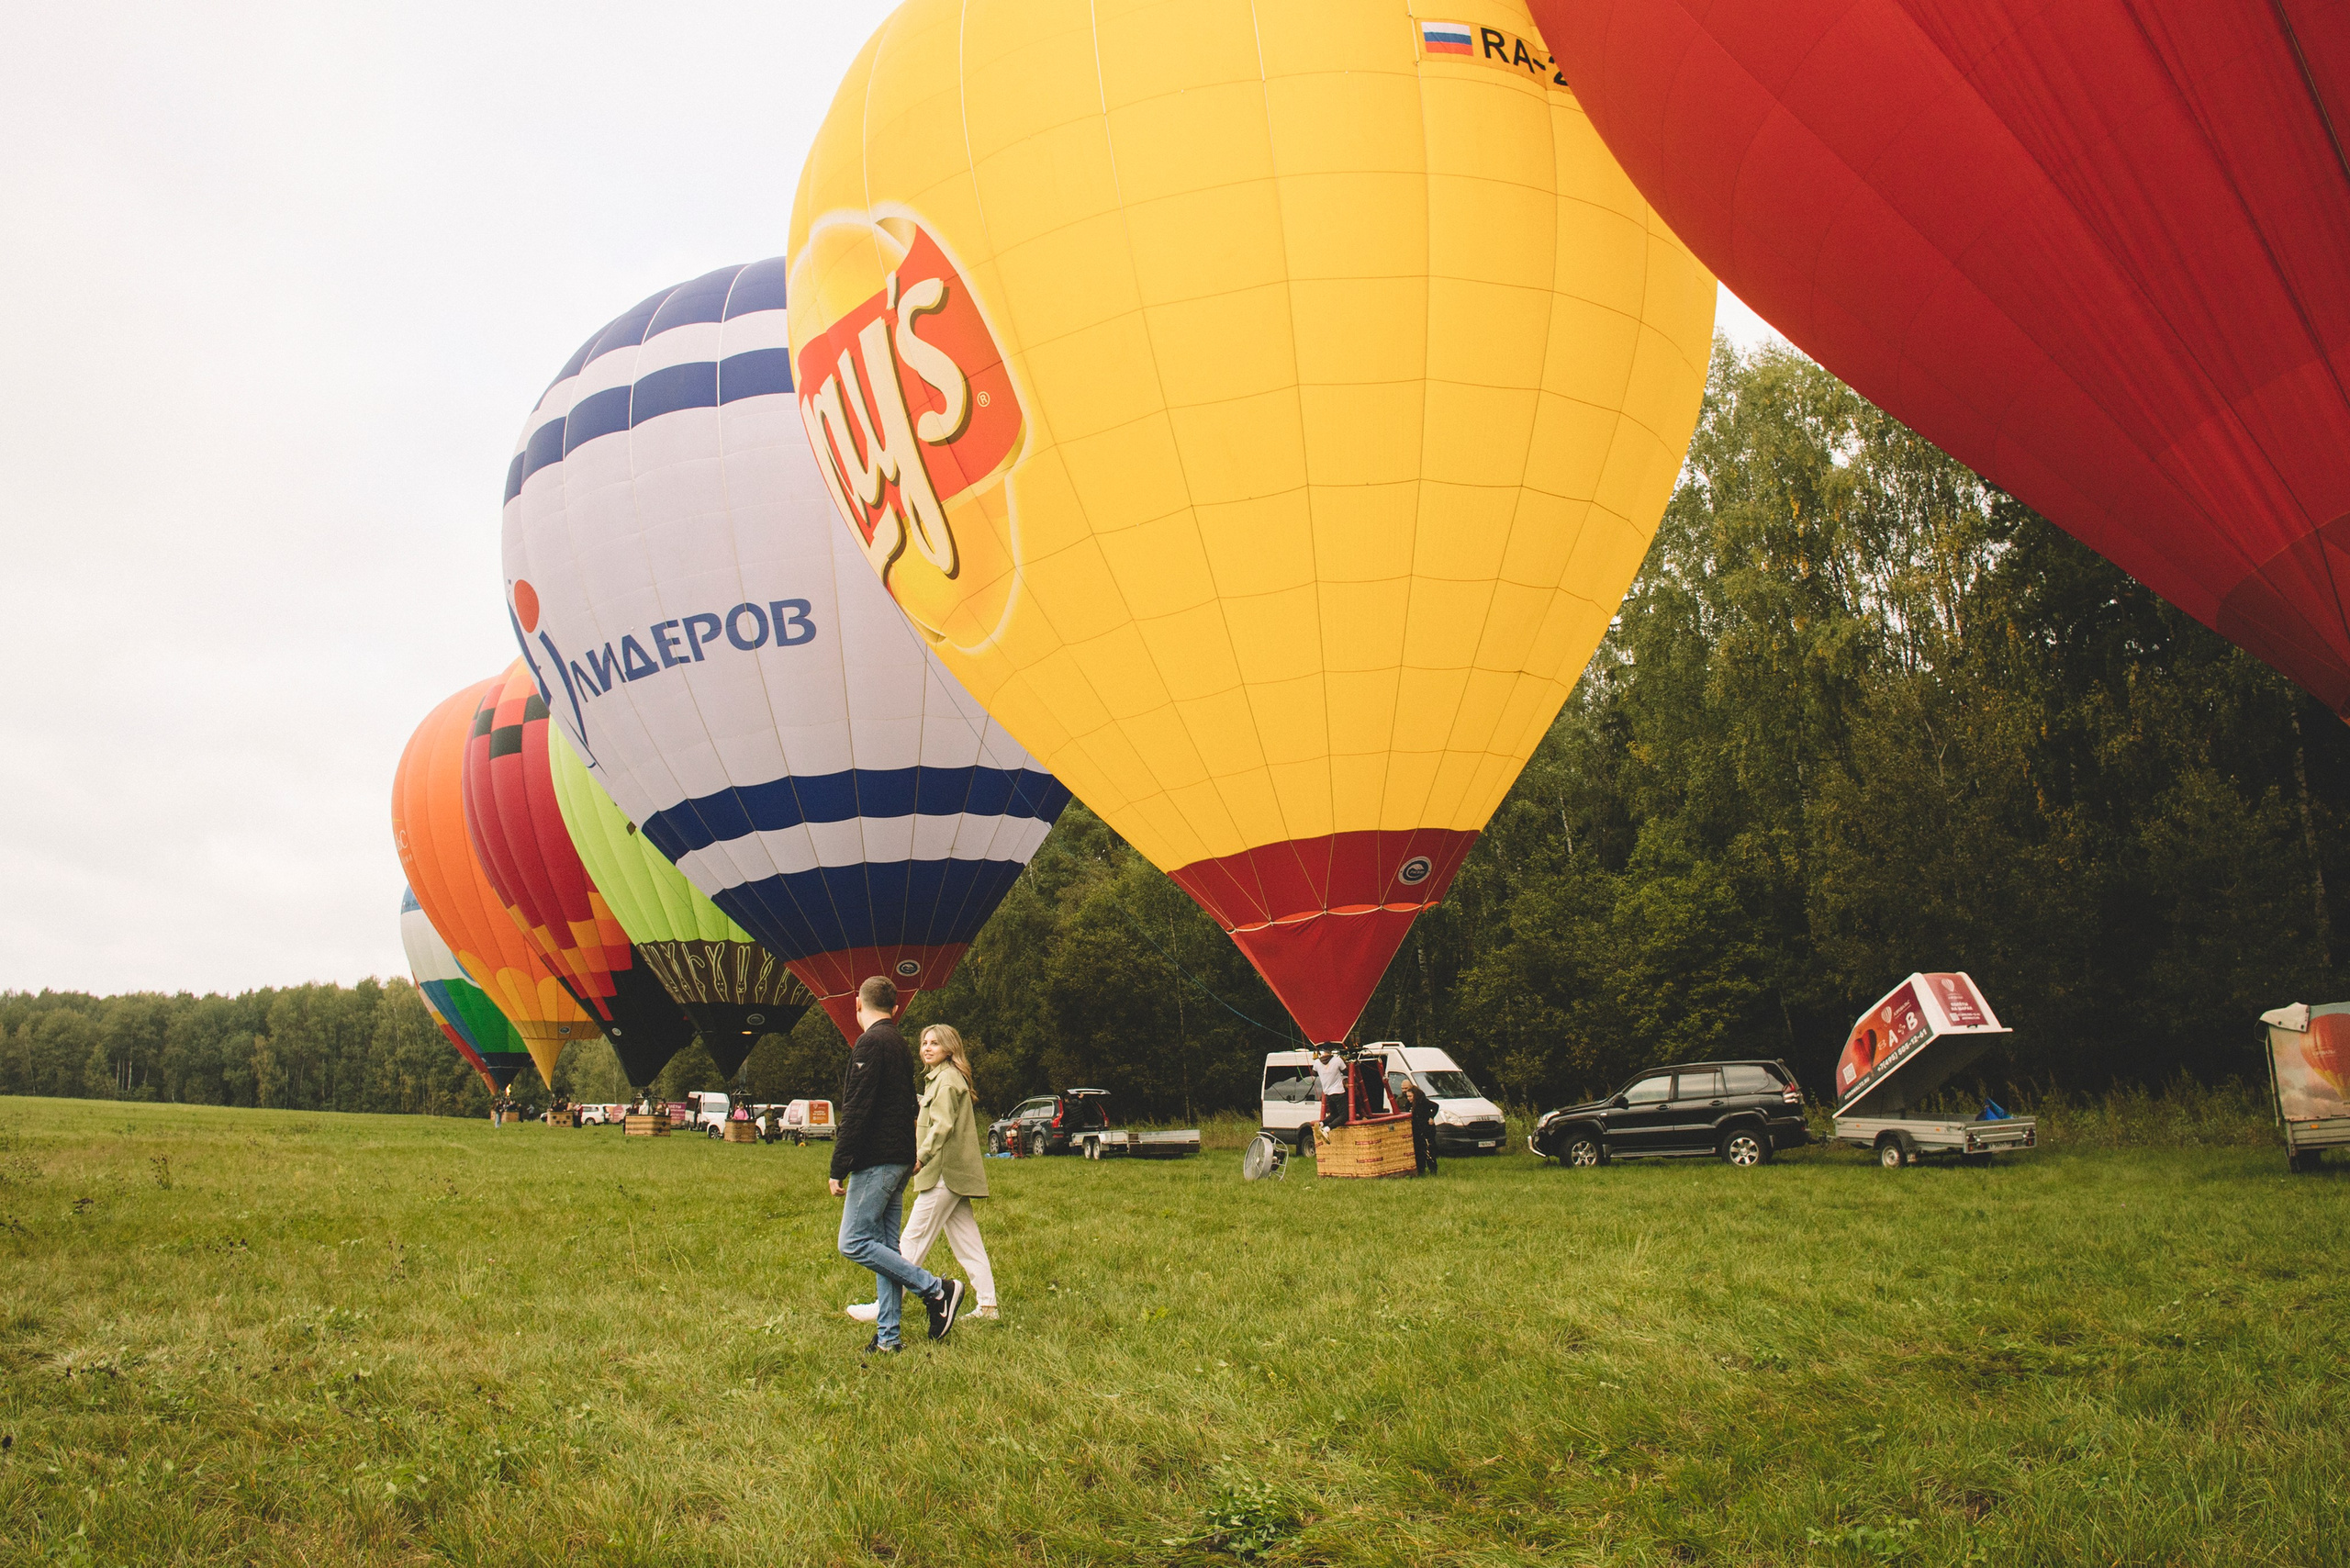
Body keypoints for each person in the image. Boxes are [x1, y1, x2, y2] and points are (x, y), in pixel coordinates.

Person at [830, 976, 965, 1352]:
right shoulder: (899, 1043)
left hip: (877, 1160)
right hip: (900, 1158)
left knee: (853, 1242)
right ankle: (889, 1338)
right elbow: (907, 1105)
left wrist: (838, 1166)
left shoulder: (870, 1043)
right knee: (887, 1249)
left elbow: (856, 1109)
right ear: (896, 1008)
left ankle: (936, 1289)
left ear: (858, 1004)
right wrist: (911, 1155)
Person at [845, 1023, 999, 1325]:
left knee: (910, 1241)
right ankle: (988, 1307)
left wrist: (921, 1158)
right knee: (968, 1242)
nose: (927, 1048)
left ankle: (885, 1306)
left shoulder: (946, 1081)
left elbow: (942, 1126)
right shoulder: (942, 1078)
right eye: (924, 1043)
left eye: (935, 1043)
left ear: (949, 1049)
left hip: (943, 1174)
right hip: (952, 1175)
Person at [1404, 1080, 1439, 1176]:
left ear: (1415, 1095)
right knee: (1418, 1151)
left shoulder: (1424, 1102)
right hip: (1416, 1130)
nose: (1408, 1098)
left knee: (1429, 1150)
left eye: (1410, 1096)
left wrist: (1431, 1117)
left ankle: (1433, 1170)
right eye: (1407, 1096)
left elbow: (1435, 1106)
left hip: (1426, 1130)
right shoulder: (1408, 1104)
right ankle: (1421, 1170)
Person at [1313, 1047, 1348, 1132]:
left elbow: (1314, 1073)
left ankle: (1321, 1124)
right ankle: (1327, 1129)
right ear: (1331, 1050)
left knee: (1334, 1115)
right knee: (1344, 1116)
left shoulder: (1317, 1062)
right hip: (1339, 1092)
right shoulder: (1337, 1060)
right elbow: (1346, 1072)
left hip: (1328, 1094)